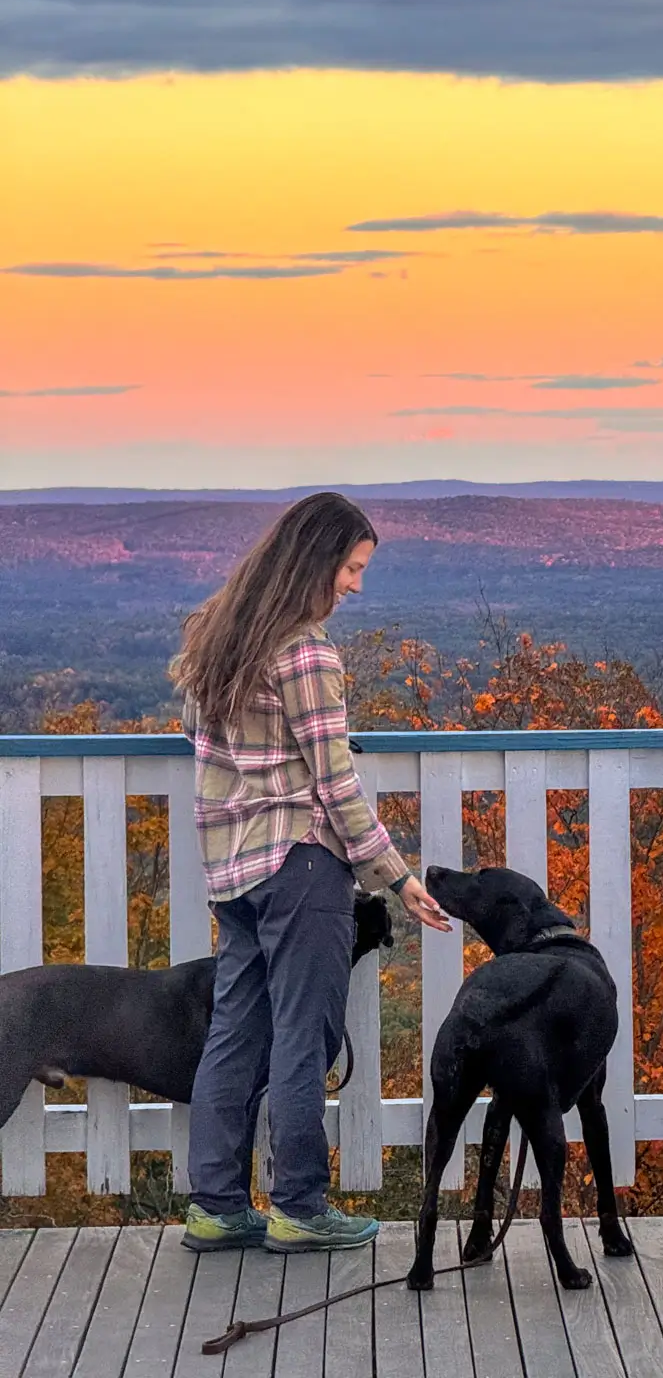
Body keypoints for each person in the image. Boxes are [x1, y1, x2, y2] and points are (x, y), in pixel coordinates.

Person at [170, 491, 449, 1254]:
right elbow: (335, 784)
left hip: (234, 872)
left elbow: (197, 729)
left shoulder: (218, 637)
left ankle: (216, 1207)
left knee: (233, 1033)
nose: (355, 585)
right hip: (301, 864)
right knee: (301, 1037)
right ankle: (298, 1205)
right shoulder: (305, 652)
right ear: (316, 562)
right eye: (351, 568)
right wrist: (397, 876)